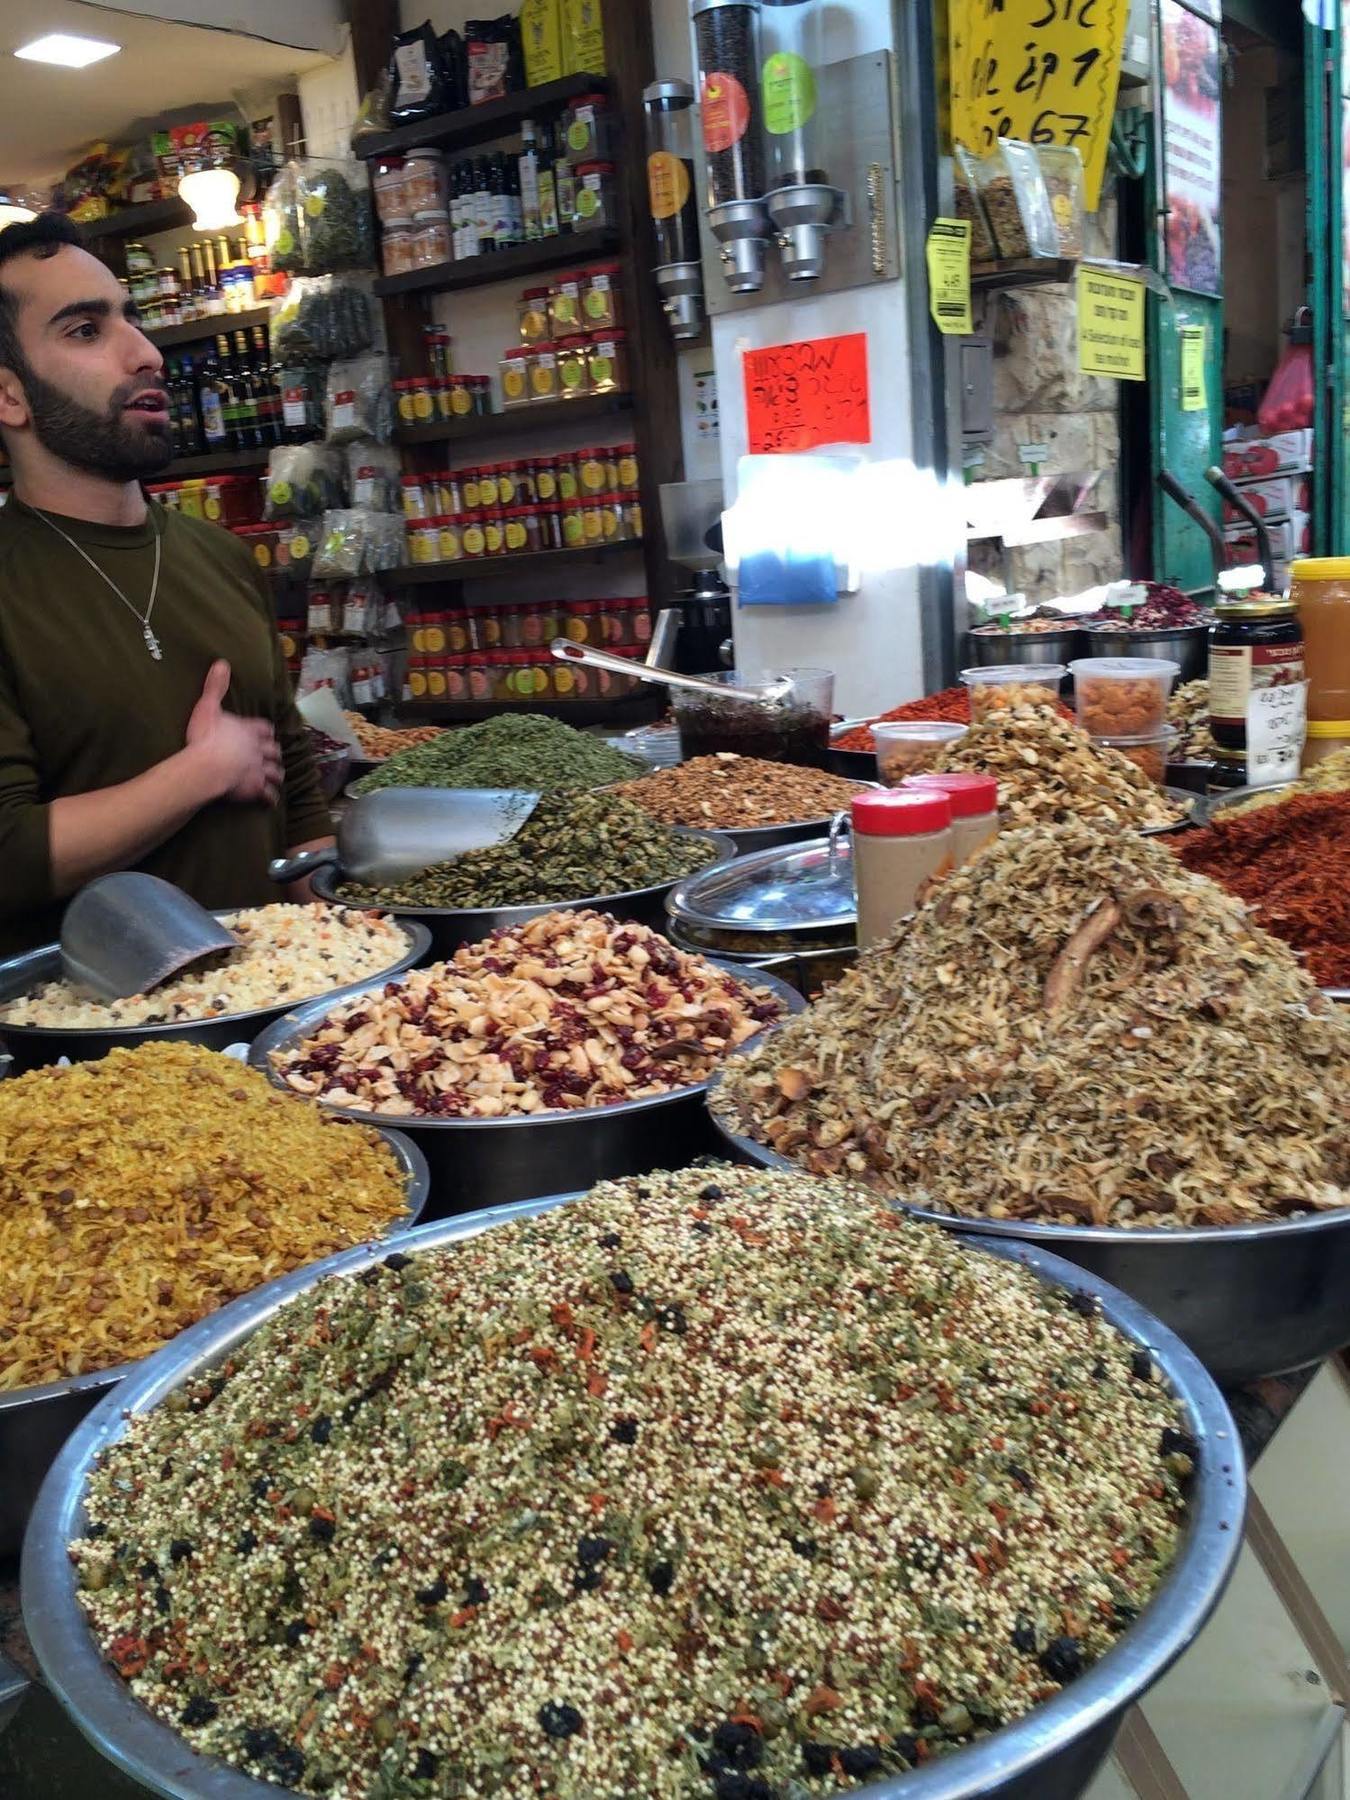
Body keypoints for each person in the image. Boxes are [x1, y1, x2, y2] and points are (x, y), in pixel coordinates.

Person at [0, 212, 334, 958]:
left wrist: (347, 933)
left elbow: (296, 786)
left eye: (132, 319)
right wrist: (197, 774)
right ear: (9, 398)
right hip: (89, 1048)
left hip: (277, 1005)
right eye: (85, 330)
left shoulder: (220, 556)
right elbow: (7, 854)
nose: (145, 354)